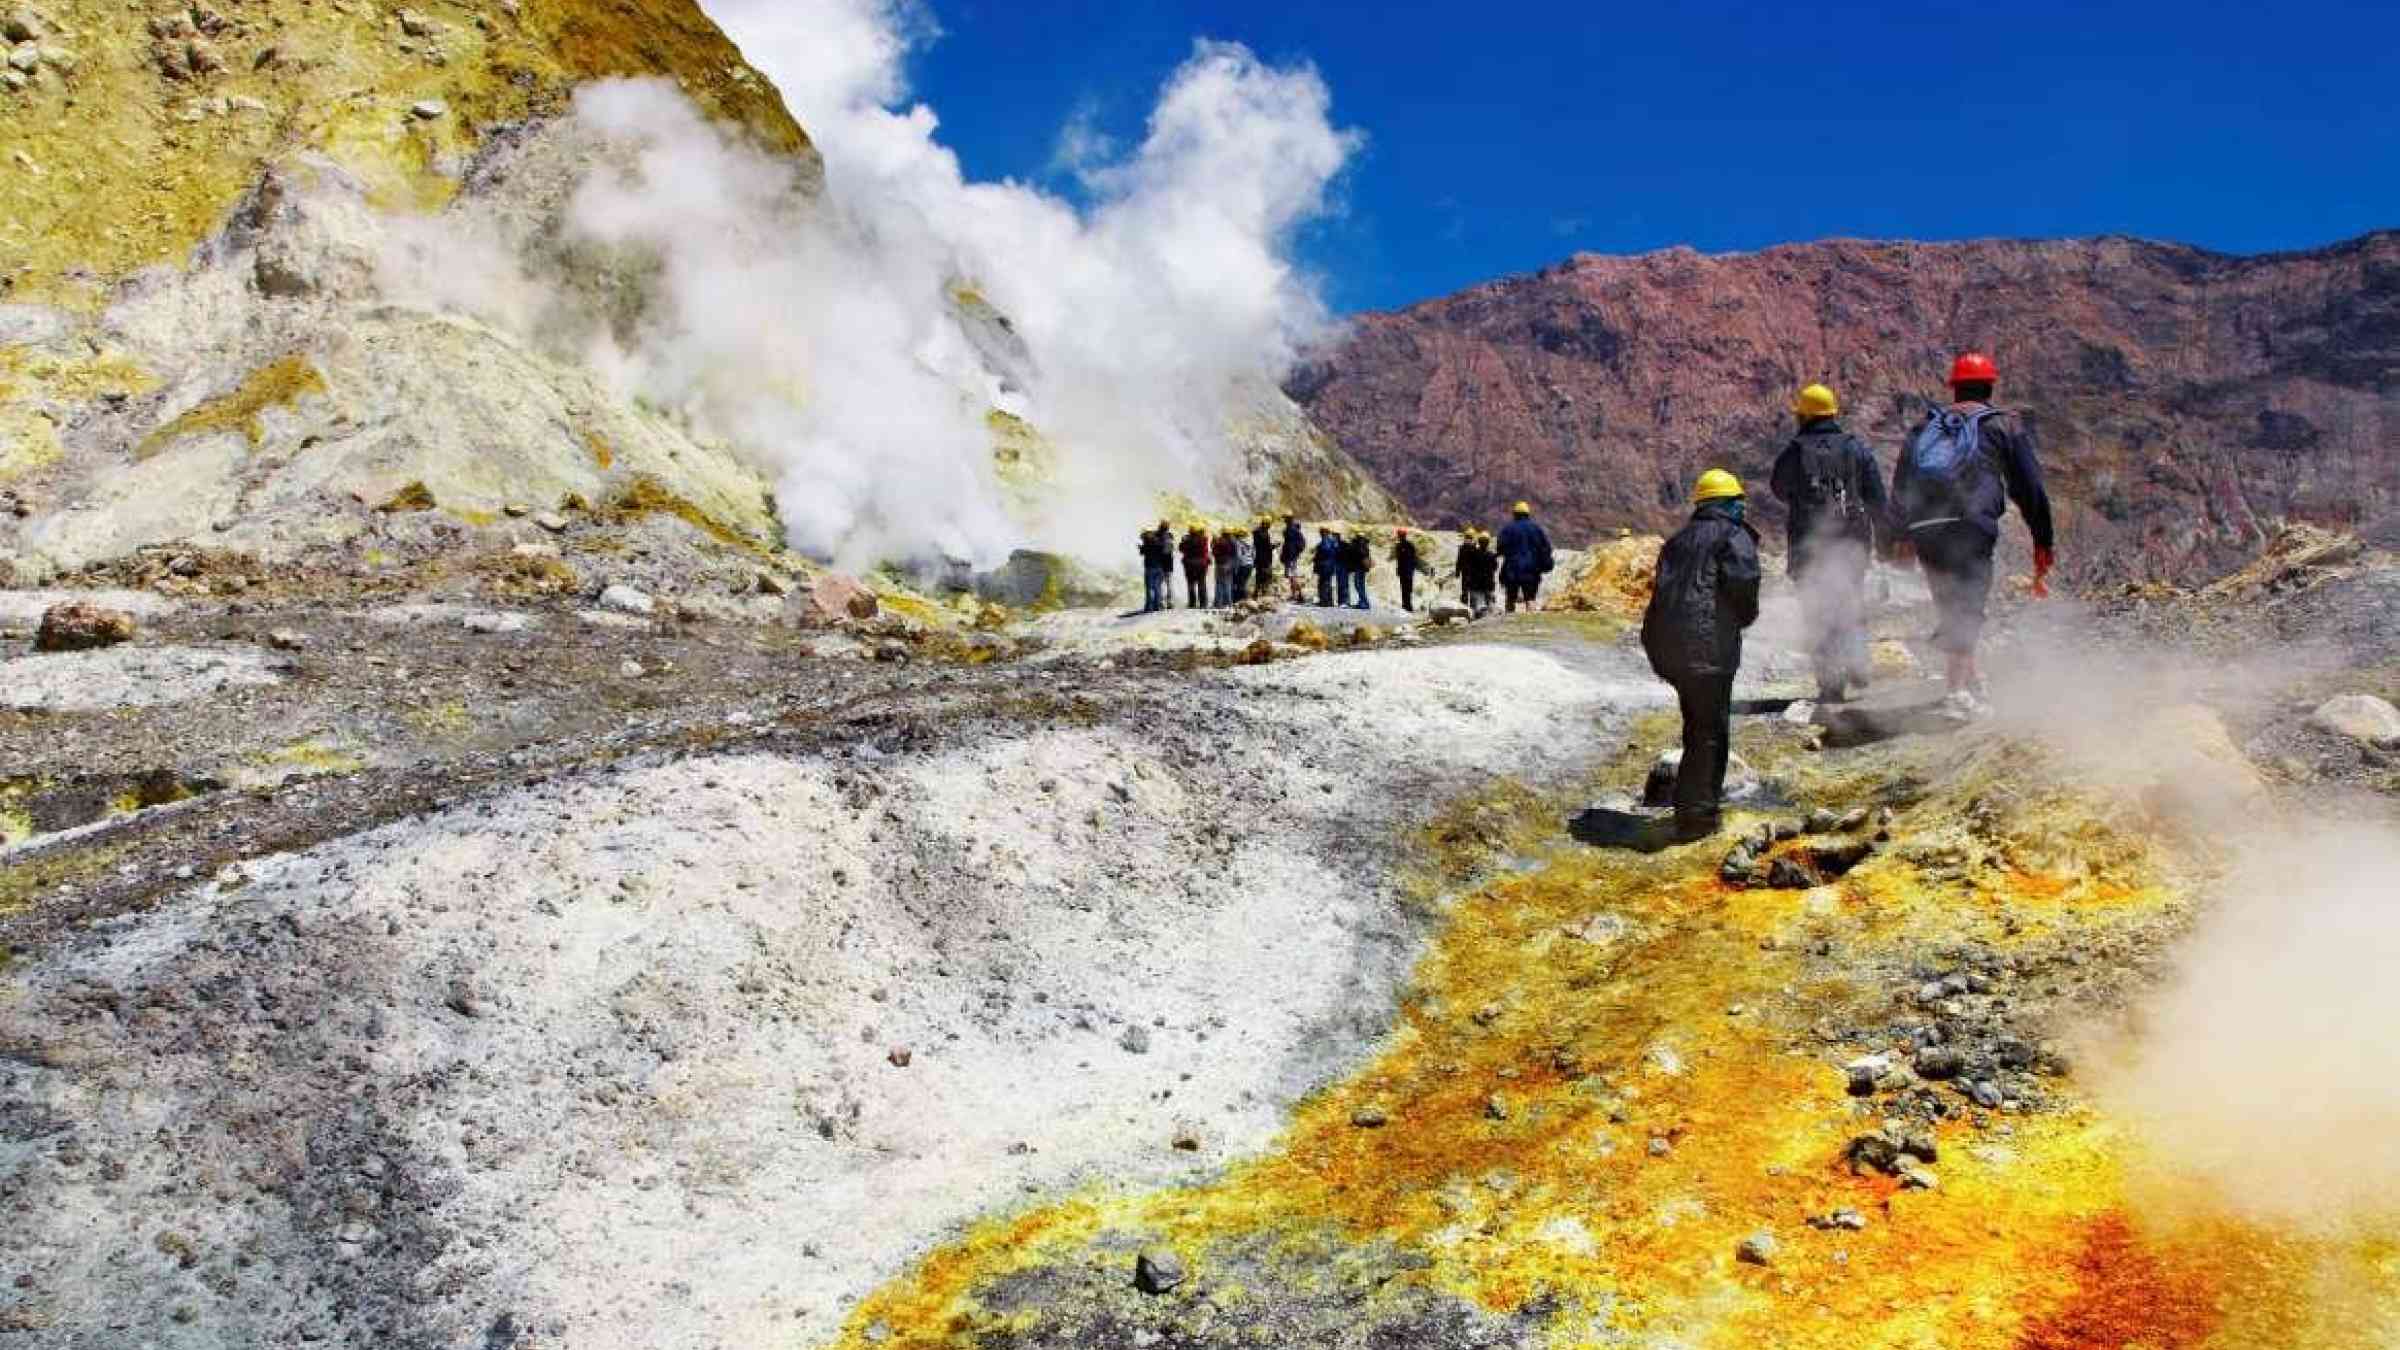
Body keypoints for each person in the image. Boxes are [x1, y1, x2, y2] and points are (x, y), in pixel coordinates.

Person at [1891, 351, 2056, 719]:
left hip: (1925, 529)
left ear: (1954, 388)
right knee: (1967, 605)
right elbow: (2029, 487)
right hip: (1970, 525)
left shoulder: (1924, 429)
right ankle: (1955, 694)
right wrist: (2043, 539)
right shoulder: (2003, 426)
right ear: (1990, 386)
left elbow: (1901, 484)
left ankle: (1972, 680)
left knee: (1952, 603)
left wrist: (1900, 535)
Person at [1641, 470, 1762, 840]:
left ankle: (1692, 807)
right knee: (1709, 733)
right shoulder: (1732, 536)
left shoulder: (1678, 542)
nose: (1743, 505)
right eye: (1738, 499)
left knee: (1696, 726)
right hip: (1707, 650)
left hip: (1669, 648)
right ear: (1726, 504)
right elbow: (1744, 584)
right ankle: (1697, 820)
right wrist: (1741, 619)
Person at [1769, 382, 1888, 702]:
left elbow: (1779, 489)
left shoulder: (1794, 452)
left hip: (1810, 545)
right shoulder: (1856, 448)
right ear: (1833, 413)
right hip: (1853, 543)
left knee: (1818, 611)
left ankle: (1831, 685)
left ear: (1803, 416)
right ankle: (1858, 662)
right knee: (1850, 599)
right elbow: (1877, 496)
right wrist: (1887, 539)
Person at [1497, 501, 1555, 612]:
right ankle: (1530, 621)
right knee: (1530, 598)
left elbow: (1500, 549)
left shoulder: (1507, 529)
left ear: (1515, 514)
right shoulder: (1537, 529)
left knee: (1510, 598)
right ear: (1528, 514)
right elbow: (1546, 548)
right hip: (1531, 570)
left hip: (1512, 570)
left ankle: (1509, 620)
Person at [1458, 528, 1498, 618]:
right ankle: (1489, 618)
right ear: (1488, 542)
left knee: (1474, 605)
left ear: (1478, 542)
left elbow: (1468, 565)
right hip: (1488, 583)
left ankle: (1473, 618)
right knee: (1489, 603)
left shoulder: (1473, 553)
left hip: (1475, 583)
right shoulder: (1491, 555)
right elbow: (1495, 568)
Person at [1138, 518, 1174, 612]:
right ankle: (1158, 605)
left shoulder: (1148, 542)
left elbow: (1142, 552)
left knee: (1150, 587)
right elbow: (1166, 550)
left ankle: (1149, 606)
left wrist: (1141, 547)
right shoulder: (1164, 539)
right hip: (1161, 567)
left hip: (1150, 567)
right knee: (1159, 587)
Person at [1179, 521, 1211, 611]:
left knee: (1191, 583)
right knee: (1202, 583)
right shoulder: (1204, 539)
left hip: (1189, 564)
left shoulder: (1187, 540)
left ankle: (1192, 603)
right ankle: (1203, 603)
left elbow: (1181, 548)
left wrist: (1183, 540)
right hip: (1202, 564)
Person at [1313, 525, 1344, 606]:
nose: (1320, 533)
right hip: (1330, 565)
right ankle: (1329, 601)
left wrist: (1317, 557)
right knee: (1328, 583)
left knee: (1323, 583)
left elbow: (1324, 552)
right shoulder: (1333, 542)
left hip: (1324, 565)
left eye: (1321, 532)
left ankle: (1324, 601)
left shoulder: (1325, 542)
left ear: (1324, 532)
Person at [1393, 528, 1421, 612]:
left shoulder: (1399, 546)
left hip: (1405, 570)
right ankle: (1407, 605)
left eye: (1399, 535)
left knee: (1405, 588)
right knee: (1408, 588)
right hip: (1408, 570)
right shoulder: (1410, 545)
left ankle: (1406, 605)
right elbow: (1414, 558)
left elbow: (1400, 559)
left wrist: (1398, 569)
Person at [1344, 528, 1373, 609]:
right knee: (1360, 585)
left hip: (1359, 568)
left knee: (1358, 585)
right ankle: (1362, 602)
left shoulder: (1360, 545)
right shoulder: (1364, 545)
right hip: (1361, 568)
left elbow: (1359, 554)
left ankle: (1364, 603)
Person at [1213, 527, 1241, 608]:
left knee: (1219, 584)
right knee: (1228, 584)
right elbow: (1236, 555)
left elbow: (1214, 552)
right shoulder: (1233, 542)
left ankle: (1218, 604)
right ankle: (1228, 603)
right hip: (1229, 564)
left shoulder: (1219, 541)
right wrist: (1234, 566)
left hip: (1220, 565)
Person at [1281, 514, 1307, 601]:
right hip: (1291, 556)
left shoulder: (1292, 530)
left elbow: (1290, 545)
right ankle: (1295, 594)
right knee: (1291, 576)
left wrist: (1294, 552)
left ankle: (1299, 594)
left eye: (1285, 519)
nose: (1284, 520)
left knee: (1292, 576)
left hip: (1290, 556)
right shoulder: (1292, 529)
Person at [1251, 517, 1276, 600]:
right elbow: (1266, 547)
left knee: (1259, 577)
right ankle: (1261, 595)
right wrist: (1273, 546)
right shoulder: (1263, 533)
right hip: (1264, 559)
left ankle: (1257, 594)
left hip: (1259, 558)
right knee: (1265, 577)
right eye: (1269, 524)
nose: (1269, 526)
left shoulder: (1257, 532)